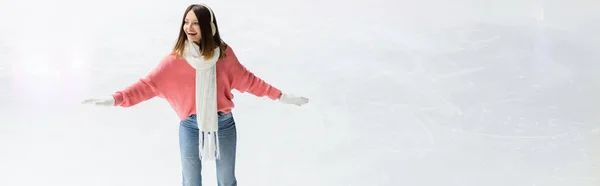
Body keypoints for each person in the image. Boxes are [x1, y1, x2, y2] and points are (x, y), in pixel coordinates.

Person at [81, 3, 309, 186]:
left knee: (227, 181)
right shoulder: (176, 59)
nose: (189, 28)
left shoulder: (224, 55)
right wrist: (115, 99)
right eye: (186, 22)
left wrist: (280, 96)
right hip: (190, 127)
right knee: (190, 182)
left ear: (208, 27)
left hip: (224, 125)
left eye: (196, 23)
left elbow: (249, 81)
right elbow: (147, 85)